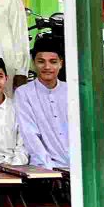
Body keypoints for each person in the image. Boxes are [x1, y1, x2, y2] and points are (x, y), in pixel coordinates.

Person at [14, 38, 70, 170]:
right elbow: (29, 134)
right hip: (43, 168)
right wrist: (49, 168)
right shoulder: (24, 93)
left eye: (53, 62)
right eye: (41, 61)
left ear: (61, 63)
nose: (47, 67)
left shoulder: (72, 91)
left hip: (78, 166)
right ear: (33, 63)